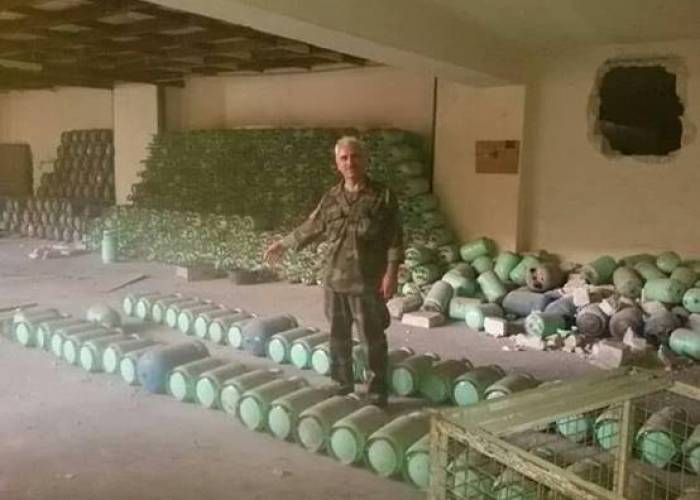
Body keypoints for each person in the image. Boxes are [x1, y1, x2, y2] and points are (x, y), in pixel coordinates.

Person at [264, 136, 403, 407]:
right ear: (337, 163)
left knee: (372, 340)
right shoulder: (331, 197)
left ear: (365, 160)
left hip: (366, 281)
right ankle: (342, 383)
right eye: (344, 158)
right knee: (338, 337)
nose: (350, 162)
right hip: (335, 279)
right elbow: (312, 225)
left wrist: (391, 273)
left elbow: (395, 238)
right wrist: (284, 243)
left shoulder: (382, 196)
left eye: (355, 156)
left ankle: (376, 393)